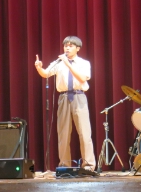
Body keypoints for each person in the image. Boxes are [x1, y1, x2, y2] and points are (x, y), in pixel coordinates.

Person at [33, 36, 98, 176]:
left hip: (78, 96)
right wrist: (39, 68)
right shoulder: (59, 62)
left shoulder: (83, 63)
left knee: (84, 133)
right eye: (65, 46)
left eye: (70, 46)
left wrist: (68, 64)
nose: (67, 48)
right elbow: (46, 74)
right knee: (63, 133)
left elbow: (82, 78)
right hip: (63, 98)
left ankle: (89, 166)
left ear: (78, 48)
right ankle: (64, 165)